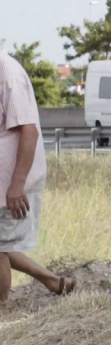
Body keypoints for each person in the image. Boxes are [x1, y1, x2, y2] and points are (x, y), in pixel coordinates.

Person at [1, 50, 76, 302]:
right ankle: (53, 281)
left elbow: (29, 131)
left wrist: (16, 186)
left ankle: (2, 315)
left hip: (10, 185)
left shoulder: (7, 72)